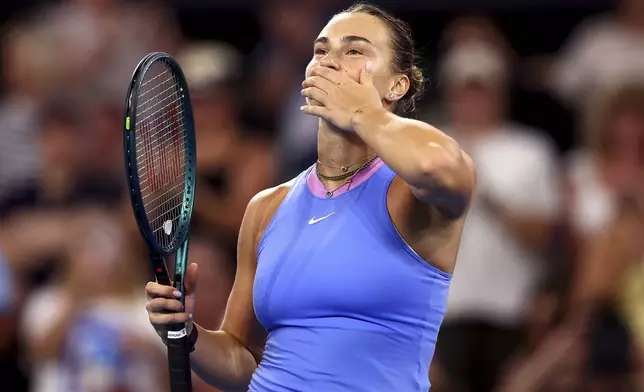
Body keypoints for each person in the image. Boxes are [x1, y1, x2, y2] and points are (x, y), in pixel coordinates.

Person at [145, 3, 476, 391]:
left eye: (354, 50)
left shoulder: (411, 192)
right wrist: (185, 334)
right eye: (321, 50)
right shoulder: (266, 208)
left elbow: (437, 166)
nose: (330, 61)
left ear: (396, 85)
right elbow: (239, 358)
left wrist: (361, 114)